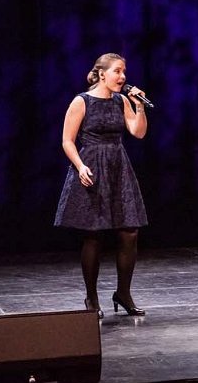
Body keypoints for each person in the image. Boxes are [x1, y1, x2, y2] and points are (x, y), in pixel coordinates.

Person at [54, 52, 150, 317]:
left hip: (118, 167)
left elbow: (138, 132)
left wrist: (139, 106)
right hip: (93, 167)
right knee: (94, 235)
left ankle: (123, 293)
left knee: (129, 232)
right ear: (101, 74)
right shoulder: (81, 101)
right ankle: (92, 298)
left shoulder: (121, 100)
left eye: (124, 71)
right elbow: (67, 140)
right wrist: (80, 166)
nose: (123, 76)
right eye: (117, 71)